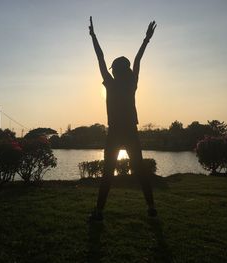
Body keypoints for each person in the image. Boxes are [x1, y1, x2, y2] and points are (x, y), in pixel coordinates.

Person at [89, 16, 157, 220]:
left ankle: (99, 212)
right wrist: (146, 40)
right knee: (140, 171)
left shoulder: (110, 83)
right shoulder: (132, 82)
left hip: (116, 131)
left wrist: (93, 36)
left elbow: (100, 58)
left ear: (115, 70)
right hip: (130, 131)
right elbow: (138, 59)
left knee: (108, 173)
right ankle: (151, 209)